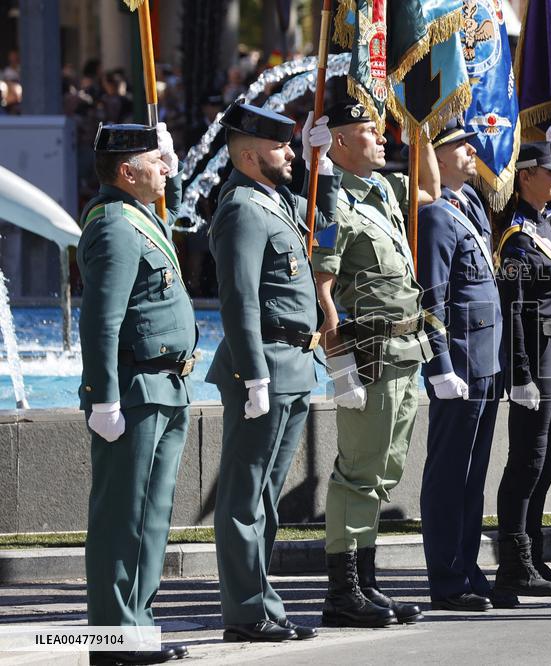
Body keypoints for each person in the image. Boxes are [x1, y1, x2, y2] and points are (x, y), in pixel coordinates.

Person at [207, 100, 332, 642]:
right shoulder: (240, 207)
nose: (290, 153)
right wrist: (254, 373)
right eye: (282, 147)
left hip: (295, 365)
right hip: (265, 367)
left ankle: (263, 600)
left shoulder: (275, 200)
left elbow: (323, 233)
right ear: (251, 153)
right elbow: (238, 299)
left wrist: (320, 168)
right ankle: (245, 611)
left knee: (265, 497)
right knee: (244, 495)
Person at [312, 100, 439, 628]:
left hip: (407, 349)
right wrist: (340, 368)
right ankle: (343, 592)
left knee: (384, 472)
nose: (382, 138)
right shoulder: (328, 201)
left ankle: (366, 581)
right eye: (370, 130)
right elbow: (322, 285)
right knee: (359, 474)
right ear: (339, 142)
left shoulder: (382, 190)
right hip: (367, 353)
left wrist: (423, 129)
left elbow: (431, 191)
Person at [79, 122, 196, 664]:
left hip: (165, 386)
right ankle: (112, 636)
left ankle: (137, 625)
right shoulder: (114, 227)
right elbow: (101, 322)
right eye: (156, 161)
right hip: (134, 390)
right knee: (121, 519)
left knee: (150, 519)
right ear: (126, 172)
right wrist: (103, 398)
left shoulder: (139, 217)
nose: (167, 169)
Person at [416, 119, 503, 612]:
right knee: (449, 473)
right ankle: (447, 579)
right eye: (461, 146)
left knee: (473, 474)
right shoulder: (435, 217)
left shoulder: (469, 205)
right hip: (461, 366)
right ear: (439, 156)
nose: (472, 151)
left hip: (484, 363)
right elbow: (434, 296)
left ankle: (468, 567)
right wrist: (440, 364)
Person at [493, 141, 551, 606]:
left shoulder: (549, 223)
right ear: (525, 176)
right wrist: (520, 374)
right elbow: (517, 311)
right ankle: (513, 565)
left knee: (546, 462)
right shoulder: (517, 237)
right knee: (527, 461)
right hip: (539, 360)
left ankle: (535, 556)